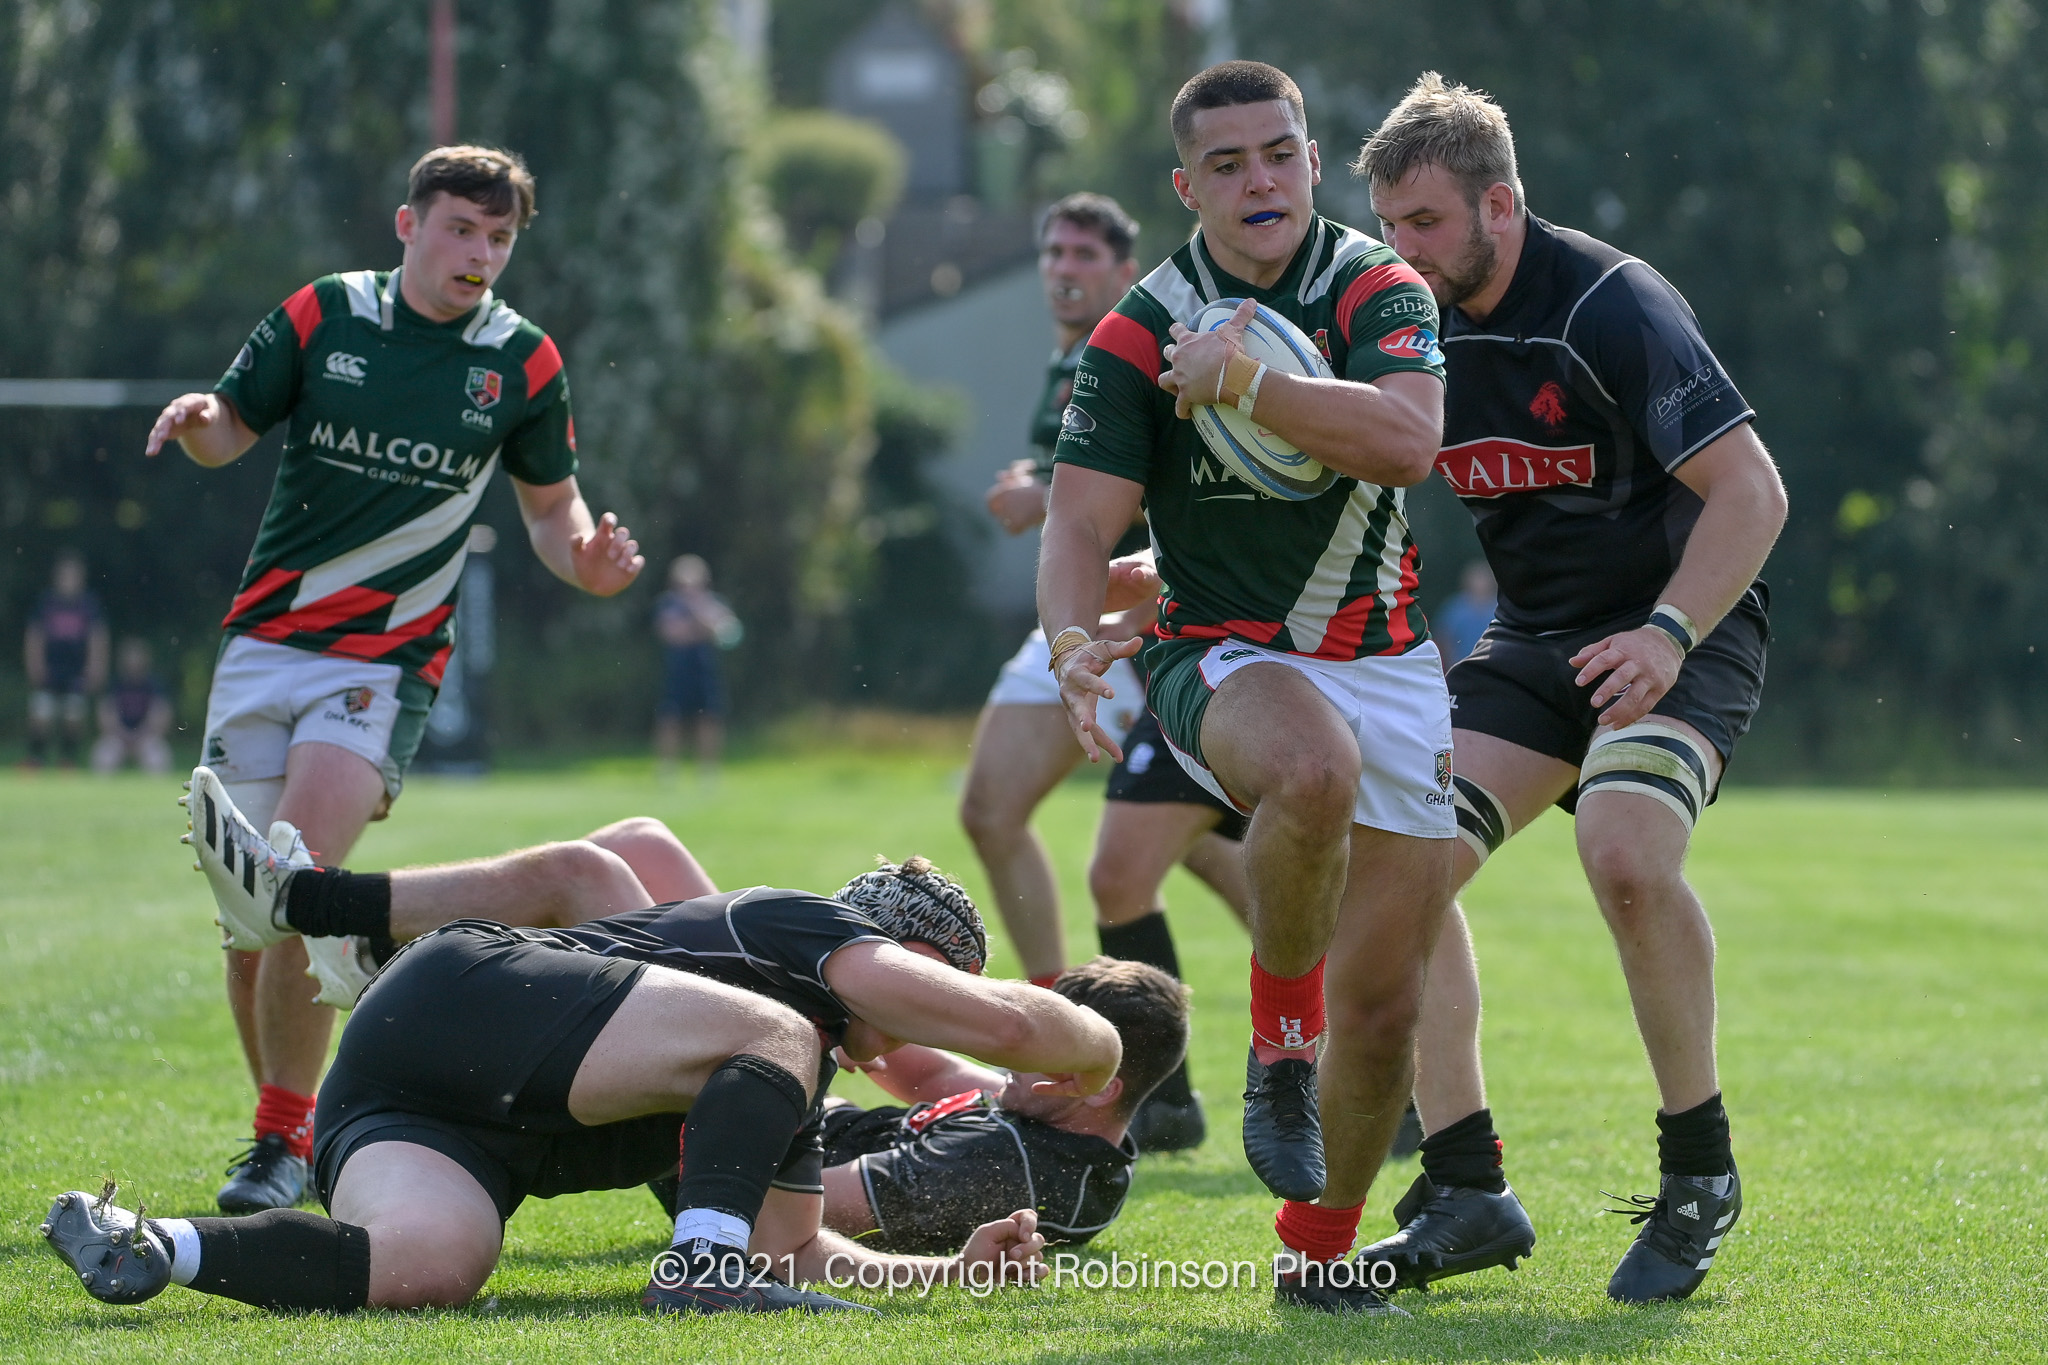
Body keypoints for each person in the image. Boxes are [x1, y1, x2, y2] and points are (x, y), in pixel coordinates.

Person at [146, 144, 645, 1215]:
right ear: (408, 224)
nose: (480, 254)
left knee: (298, 873)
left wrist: (589, 562)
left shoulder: (520, 359)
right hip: (265, 645)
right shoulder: (325, 317)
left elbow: (553, 511)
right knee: (250, 923)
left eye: (500, 238)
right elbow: (231, 430)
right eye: (461, 230)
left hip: (385, 661)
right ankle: (292, 1130)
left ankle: (280, 1149)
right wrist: (198, 424)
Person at [1357, 73, 1787, 1303]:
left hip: (1680, 628)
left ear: (1500, 201)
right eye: (1387, 228)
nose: (1403, 253)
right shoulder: (1403, 316)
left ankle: (1698, 1173)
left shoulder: (1610, 302)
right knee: (1400, 862)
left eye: (1425, 224)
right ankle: (1465, 1187)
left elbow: (1752, 494)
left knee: (1622, 851)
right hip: (1534, 639)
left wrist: (1662, 634)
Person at [1041, 60, 1456, 1315]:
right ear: (1186, 186)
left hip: (1386, 657)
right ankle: (1278, 1046)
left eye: (1275, 153)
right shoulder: (1138, 326)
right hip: (1214, 647)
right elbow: (1076, 524)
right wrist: (1067, 638)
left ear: (1312, 162)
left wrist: (1251, 384)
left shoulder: (1378, 286)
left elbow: (1408, 441)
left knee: (1384, 1011)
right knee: (1308, 769)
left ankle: (1313, 1257)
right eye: (1224, 165)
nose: (1256, 180)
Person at [46, 855, 1113, 1316]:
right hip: (462, 993)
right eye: (932, 985)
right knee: (784, 1034)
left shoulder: (770, 1064)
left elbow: (794, 1250)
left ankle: (146, 1243)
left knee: (429, 1269)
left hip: (414, 1099)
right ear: (903, 955)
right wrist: (1099, 1047)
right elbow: (1016, 1026)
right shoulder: (800, 957)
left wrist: (951, 1277)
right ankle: (697, 1274)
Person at [183, 776, 1185, 1250]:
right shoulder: (1019, 1109)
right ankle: (368, 943)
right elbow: (925, 1062)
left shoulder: (1017, 1157)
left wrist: (743, 1155)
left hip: (740, 1128)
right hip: (752, 1090)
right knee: (631, 850)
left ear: (1081, 1079)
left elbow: (816, 1213)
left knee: (587, 874)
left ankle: (333, 920)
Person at [960, 194, 1248, 1153]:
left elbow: (1134, 493)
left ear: (1124, 271)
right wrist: (1037, 491)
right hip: (1085, 615)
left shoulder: (1142, 344)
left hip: (1143, 617)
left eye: (1083, 251)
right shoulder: (1064, 362)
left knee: (1186, 848)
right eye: (1051, 249)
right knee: (1012, 816)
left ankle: (1345, 1030)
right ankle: (1072, 1031)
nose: (1061, 266)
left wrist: (1039, 496)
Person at [653, 553, 739, 784]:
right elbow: (671, 634)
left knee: (709, 719)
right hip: (678, 670)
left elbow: (729, 636)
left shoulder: (713, 603)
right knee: (670, 718)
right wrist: (701, 629)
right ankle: (668, 769)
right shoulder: (668, 604)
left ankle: (708, 770)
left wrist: (697, 613)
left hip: (705, 670)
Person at [23, 551, 108, 768]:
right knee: (40, 713)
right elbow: (35, 636)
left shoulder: (88, 605)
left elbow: (97, 638)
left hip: (76, 672)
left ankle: (67, 761)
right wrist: (35, 665)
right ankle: (36, 760)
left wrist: (96, 667)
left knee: (73, 715)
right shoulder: (47, 603)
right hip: (50, 671)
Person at [92, 638, 175, 774]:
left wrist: (140, 735)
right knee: (103, 758)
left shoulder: (155, 686)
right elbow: (105, 716)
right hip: (117, 737)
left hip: (146, 738)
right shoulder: (114, 685)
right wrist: (123, 735)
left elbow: (161, 717)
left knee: (158, 760)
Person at [1433, 561, 1497, 673]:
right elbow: (1443, 638)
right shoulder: (1455, 608)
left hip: (1493, 669)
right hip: (1460, 669)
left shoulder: (1498, 608)